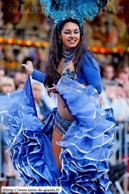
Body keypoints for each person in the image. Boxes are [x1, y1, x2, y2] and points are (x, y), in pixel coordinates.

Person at [0, 1, 119, 193]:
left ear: (81, 34)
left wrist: (69, 87)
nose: (72, 36)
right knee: (57, 175)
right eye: (68, 32)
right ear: (59, 35)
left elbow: (96, 88)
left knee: (78, 179)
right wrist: (33, 73)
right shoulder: (59, 59)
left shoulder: (85, 57)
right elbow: (52, 81)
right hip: (59, 123)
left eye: (75, 32)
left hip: (79, 128)